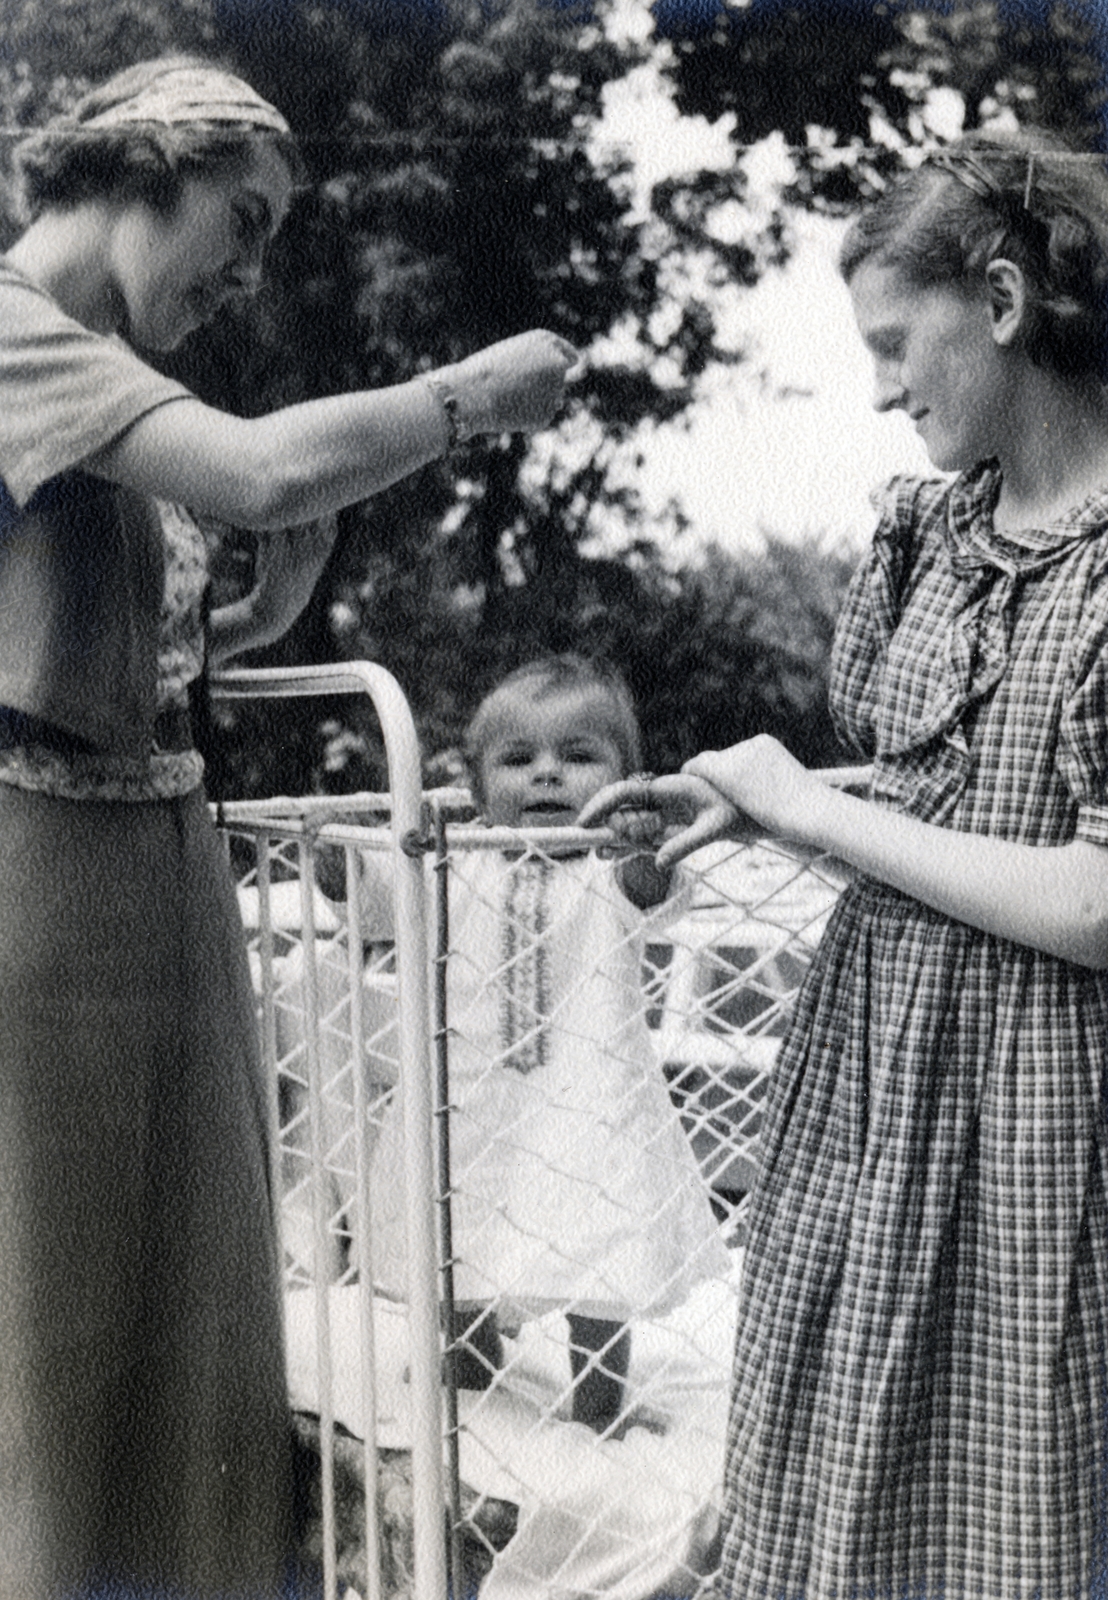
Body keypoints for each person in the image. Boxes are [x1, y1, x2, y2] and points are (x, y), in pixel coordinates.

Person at [0, 53, 575, 1600]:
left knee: (189, 1310)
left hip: (163, 850)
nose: (248, 271)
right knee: (50, 1319)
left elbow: (140, 647)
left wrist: (276, 597)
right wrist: (467, 402)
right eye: (239, 222)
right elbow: (256, 471)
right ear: (145, 166)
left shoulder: (113, 379)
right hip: (36, 869)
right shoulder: (13, 337)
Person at [581, 128, 1108, 1597]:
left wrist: (813, 814)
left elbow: (1091, 903)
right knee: (832, 1468)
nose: (881, 387)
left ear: (1002, 305)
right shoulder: (932, 539)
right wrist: (759, 801)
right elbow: (947, 790)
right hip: (875, 1076)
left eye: (897, 345)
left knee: (1006, 1504)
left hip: (1042, 1104)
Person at [316, 655, 730, 1433]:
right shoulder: (453, 863)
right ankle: (471, 1361)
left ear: (623, 784)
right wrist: (342, 868)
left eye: (579, 758)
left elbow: (659, 894)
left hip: (587, 1101)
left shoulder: (612, 871)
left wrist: (641, 845)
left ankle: (600, 1399)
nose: (547, 776)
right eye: (518, 759)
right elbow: (378, 903)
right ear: (475, 790)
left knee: (598, 1251)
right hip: (468, 1094)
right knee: (460, 1232)